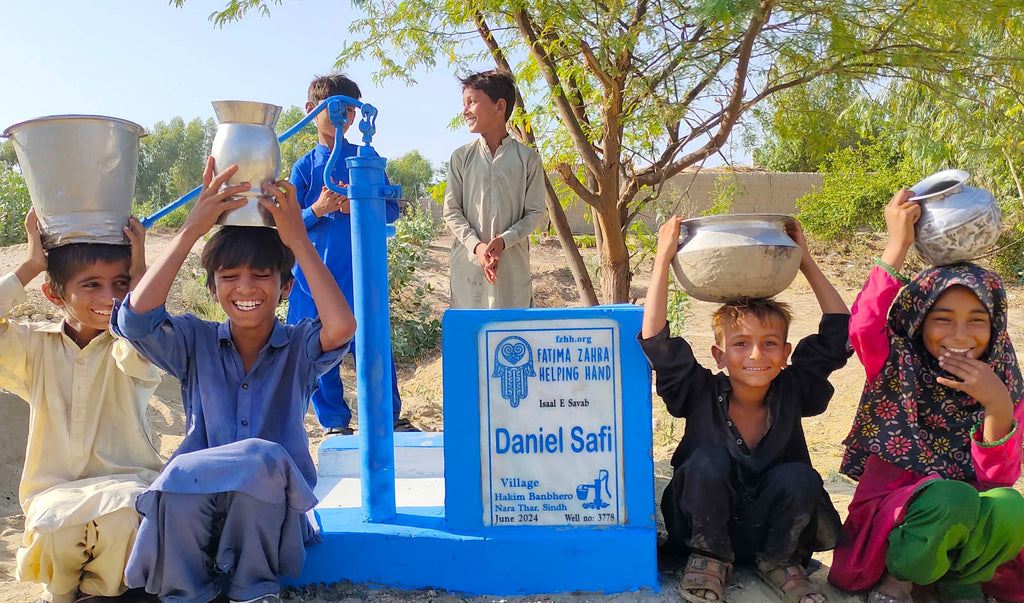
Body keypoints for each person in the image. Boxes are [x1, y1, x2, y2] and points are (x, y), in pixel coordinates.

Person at [112, 158, 357, 603]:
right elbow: (136, 322)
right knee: (181, 482)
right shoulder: (194, 341)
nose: (246, 288)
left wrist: (298, 240)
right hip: (196, 510)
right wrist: (190, 230)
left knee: (261, 463)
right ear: (212, 288)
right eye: (229, 278)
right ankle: (185, 594)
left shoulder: (298, 347)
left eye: (262, 276)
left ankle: (254, 592)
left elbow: (340, 327)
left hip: (266, 517)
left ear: (285, 288)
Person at [639, 216, 851, 603]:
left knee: (800, 476)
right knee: (705, 461)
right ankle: (710, 560)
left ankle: (779, 563)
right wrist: (662, 257)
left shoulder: (793, 389)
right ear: (719, 355)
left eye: (770, 343)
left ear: (787, 354)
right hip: (703, 532)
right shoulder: (699, 390)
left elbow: (838, 333)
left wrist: (803, 260)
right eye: (740, 344)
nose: (756, 354)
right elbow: (656, 342)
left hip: (775, 532)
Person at [829, 190, 1024, 603]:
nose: (959, 336)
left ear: (996, 327)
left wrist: (997, 404)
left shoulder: (1001, 372)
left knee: (1009, 505)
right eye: (942, 320)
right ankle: (902, 579)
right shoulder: (896, 361)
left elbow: (997, 480)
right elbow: (863, 327)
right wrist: (897, 244)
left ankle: (960, 579)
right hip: (895, 523)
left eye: (977, 321)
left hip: (963, 521)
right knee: (949, 495)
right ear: (918, 322)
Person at [0, 210, 160, 603]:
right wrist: (31, 265)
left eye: (119, 284)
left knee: (124, 520)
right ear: (54, 295)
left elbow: (148, 322)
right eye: (91, 285)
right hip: (53, 494)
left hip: (127, 487)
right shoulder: (33, 347)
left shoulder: (136, 345)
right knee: (54, 528)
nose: (110, 298)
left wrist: (141, 279)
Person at [288, 72, 415, 435]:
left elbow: (392, 210)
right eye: (336, 109)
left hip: (362, 277)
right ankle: (334, 423)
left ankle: (387, 418)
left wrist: (357, 206)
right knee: (316, 350)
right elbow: (287, 225)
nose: (344, 118)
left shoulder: (367, 160)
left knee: (374, 346)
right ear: (313, 111)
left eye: (350, 110)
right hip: (314, 280)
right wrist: (319, 209)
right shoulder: (305, 167)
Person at [442, 69, 546, 309]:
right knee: (471, 336)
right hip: (469, 266)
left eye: (472, 102)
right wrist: (477, 247)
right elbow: (452, 211)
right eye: (463, 103)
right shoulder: (461, 157)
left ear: (500, 107)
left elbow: (535, 212)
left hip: (511, 267)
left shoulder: (527, 159)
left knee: (511, 336)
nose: (465, 110)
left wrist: (504, 241)